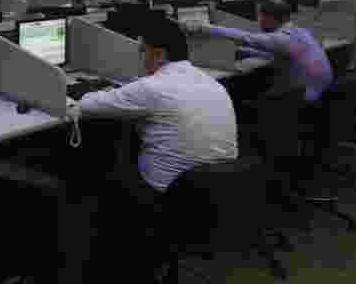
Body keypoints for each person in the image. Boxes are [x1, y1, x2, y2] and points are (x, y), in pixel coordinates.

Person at [71, 17, 237, 280]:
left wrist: (81, 90)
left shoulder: (152, 87)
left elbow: (84, 105)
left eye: (141, 51)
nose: (140, 57)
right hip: (220, 186)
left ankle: (99, 263)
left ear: (158, 54)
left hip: (168, 193)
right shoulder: (211, 82)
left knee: (94, 182)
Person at [182, 0, 332, 104]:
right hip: (321, 92)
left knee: (242, 99)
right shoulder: (300, 32)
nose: (258, 20)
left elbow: (246, 37)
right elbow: (279, 53)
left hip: (303, 98)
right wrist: (245, 51)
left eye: (259, 16)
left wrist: (202, 27)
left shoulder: (281, 39)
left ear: (269, 18)